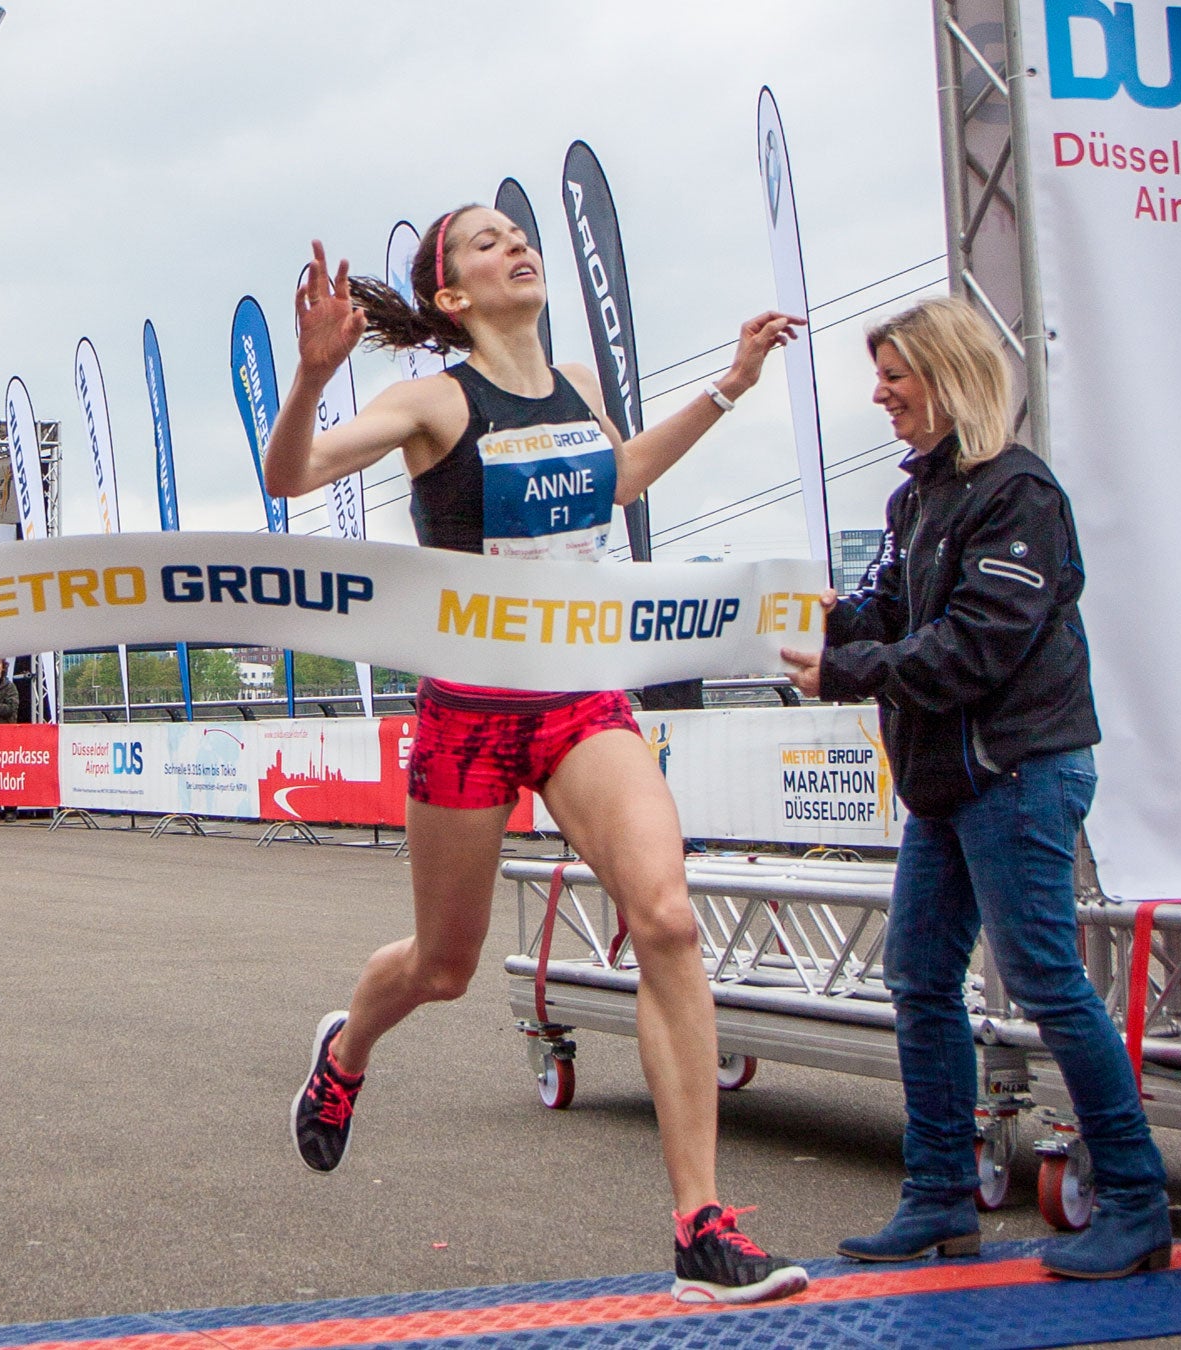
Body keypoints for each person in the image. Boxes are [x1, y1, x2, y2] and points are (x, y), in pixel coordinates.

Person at [263, 211, 807, 1304]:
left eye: (520, 234)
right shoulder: (434, 402)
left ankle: (700, 1228)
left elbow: (619, 479)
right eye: (485, 243)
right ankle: (347, 1051)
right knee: (444, 967)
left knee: (666, 919)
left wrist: (730, 385)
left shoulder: (577, 382)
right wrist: (313, 377)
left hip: (578, 696)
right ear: (452, 296)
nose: (516, 246)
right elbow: (293, 476)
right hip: (469, 709)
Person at [780, 297, 1170, 1279]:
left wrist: (846, 669)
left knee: (1044, 981)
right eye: (879, 377)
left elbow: (979, 643)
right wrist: (823, 619)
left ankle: (1136, 1202)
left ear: (949, 377)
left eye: (895, 376)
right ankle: (940, 1201)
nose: (879, 394)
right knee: (918, 977)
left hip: (1017, 769)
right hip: (948, 782)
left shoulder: (1018, 491)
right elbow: (890, 616)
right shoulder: (915, 499)